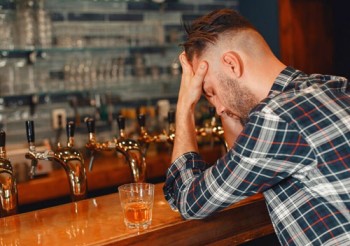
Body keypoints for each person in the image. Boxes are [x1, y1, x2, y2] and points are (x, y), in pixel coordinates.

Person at [163, 8, 350, 246]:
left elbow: (188, 200)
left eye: (209, 92)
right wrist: (226, 102)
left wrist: (184, 107)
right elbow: (241, 165)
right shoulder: (332, 86)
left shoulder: (276, 116)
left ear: (232, 64)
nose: (218, 109)